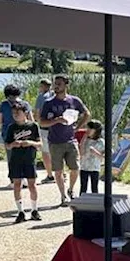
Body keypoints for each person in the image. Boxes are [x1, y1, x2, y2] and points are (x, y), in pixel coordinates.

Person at [38, 74, 88, 207]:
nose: (56, 86)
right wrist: (56, 120)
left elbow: (87, 114)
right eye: (55, 83)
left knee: (75, 168)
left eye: (59, 83)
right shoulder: (49, 103)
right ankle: (63, 195)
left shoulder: (74, 101)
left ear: (66, 85)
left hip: (70, 140)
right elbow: (42, 123)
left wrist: (78, 127)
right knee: (58, 170)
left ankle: (71, 189)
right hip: (55, 141)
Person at [5, 100, 43, 222]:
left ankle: (34, 210)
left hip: (29, 159)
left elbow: (40, 144)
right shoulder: (12, 127)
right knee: (17, 184)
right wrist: (13, 144)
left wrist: (30, 143)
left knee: (32, 184)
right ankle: (20, 211)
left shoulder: (33, 126)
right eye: (13, 113)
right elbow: (7, 145)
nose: (15, 115)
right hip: (16, 159)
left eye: (18, 112)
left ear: (25, 113)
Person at [34, 78, 57, 184]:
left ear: (43, 86)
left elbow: (37, 113)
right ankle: (60, 172)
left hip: (45, 128)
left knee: (45, 152)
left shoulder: (41, 97)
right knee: (56, 151)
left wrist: (37, 123)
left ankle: (50, 175)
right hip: (56, 127)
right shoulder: (55, 95)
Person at [79, 120, 105, 194]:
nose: (88, 130)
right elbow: (81, 153)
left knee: (94, 187)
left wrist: (95, 152)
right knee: (83, 187)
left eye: (90, 129)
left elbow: (103, 157)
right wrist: (83, 139)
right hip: (84, 167)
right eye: (87, 128)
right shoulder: (85, 140)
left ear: (96, 130)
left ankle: (95, 201)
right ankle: (82, 201)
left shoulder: (101, 142)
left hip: (95, 168)